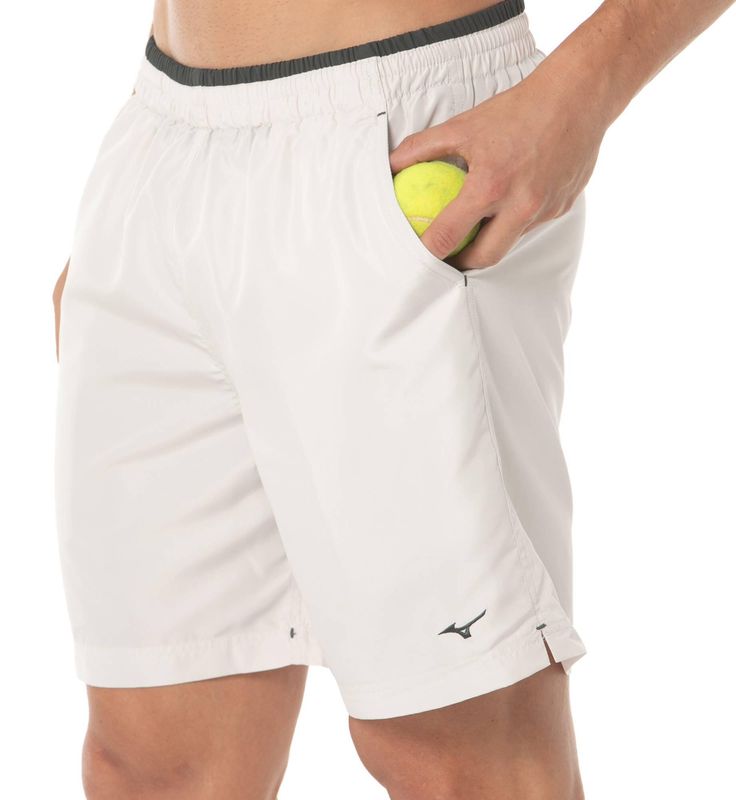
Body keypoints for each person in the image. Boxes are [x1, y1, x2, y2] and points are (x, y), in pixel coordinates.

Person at [52, 1, 733, 797]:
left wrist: (579, 93)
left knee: (456, 753)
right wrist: (164, 205)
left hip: (402, 141)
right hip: (166, 137)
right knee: (151, 767)